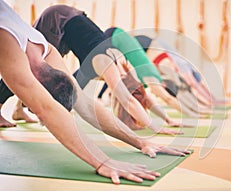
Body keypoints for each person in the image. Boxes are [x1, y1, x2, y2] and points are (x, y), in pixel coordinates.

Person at [0, 1, 190, 184]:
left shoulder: (46, 48)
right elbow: (46, 109)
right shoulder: (8, 42)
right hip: (58, 19)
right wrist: (102, 162)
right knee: (18, 80)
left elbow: (85, 104)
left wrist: (141, 142)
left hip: (65, 20)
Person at [33, 4, 183, 133]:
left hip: (70, 25)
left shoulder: (118, 71)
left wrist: (167, 119)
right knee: (38, 64)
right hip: (59, 17)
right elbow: (129, 100)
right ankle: (27, 106)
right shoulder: (112, 65)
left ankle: (21, 108)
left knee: (57, 79)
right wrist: (155, 126)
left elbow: (141, 97)